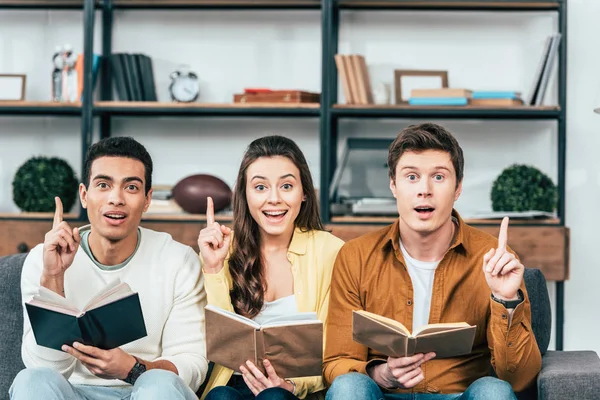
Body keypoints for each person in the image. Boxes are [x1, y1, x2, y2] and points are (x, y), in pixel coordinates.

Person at [323, 123, 542, 400]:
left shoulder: (495, 258)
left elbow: (520, 379)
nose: (424, 190)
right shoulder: (355, 256)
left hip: (459, 395)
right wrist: (382, 373)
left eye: (438, 177)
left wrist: (506, 300)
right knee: (348, 388)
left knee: (494, 392)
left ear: (458, 188)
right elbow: (336, 363)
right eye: (411, 177)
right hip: (383, 394)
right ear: (393, 185)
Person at [10, 136, 208, 400]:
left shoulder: (179, 260)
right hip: (72, 392)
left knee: (159, 385)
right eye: (103, 185)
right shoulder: (42, 259)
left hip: (143, 390)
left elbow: (191, 364)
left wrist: (132, 369)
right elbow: (43, 368)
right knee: (31, 380)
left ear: (147, 199)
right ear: (84, 195)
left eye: (131, 187)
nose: (116, 199)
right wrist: (53, 278)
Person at [198, 135, 344, 400]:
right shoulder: (223, 249)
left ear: (304, 194)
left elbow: (335, 344)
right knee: (220, 396)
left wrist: (294, 385)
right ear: (245, 194)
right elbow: (217, 340)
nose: (274, 199)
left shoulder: (330, 251)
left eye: (286, 186)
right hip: (235, 383)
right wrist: (214, 267)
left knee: (274, 397)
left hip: (296, 390)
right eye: (261, 187)